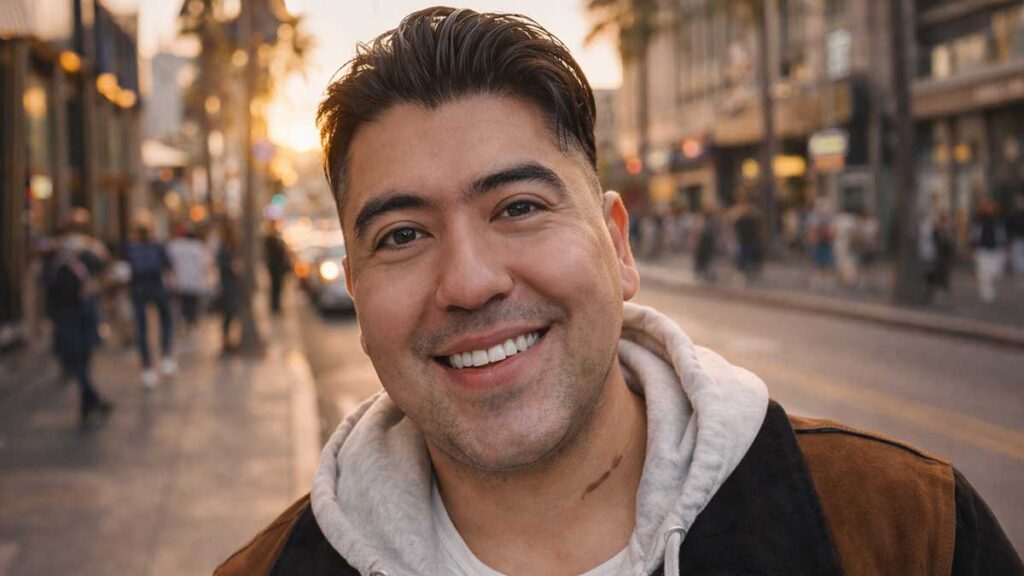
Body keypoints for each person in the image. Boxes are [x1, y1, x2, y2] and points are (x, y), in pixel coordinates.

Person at [217, 8, 1022, 575]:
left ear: (617, 244)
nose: (469, 281)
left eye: (519, 208)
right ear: (357, 294)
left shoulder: (905, 529)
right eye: (402, 235)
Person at [45, 222, 113, 426]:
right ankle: (91, 400)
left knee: (80, 359)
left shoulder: (66, 262)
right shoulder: (68, 264)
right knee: (80, 359)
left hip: (74, 317)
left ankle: (89, 401)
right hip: (74, 317)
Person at [124, 214, 175, 389]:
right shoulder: (157, 246)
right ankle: (165, 357)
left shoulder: (131, 248)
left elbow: (127, 269)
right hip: (156, 287)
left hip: (139, 290)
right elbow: (168, 266)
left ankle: (148, 367)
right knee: (165, 322)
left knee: (142, 329)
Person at [167, 224, 213, 329]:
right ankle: (190, 322)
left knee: (182, 303)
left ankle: (184, 321)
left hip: (180, 281)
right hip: (195, 281)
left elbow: (169, 263)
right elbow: (206, 265)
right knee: (192, 303)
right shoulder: (199, 247)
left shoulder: (175, 246)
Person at [971, 198, 1008, 304]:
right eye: (987, 207)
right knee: (983, 274)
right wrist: (973, 248)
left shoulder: (997, 220)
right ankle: (987, 295)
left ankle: (990, 291)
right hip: (982, 250)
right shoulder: (979, 220)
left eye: (991, 207)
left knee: (995, 273)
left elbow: (1001, 234)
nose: (989, 209)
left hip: (996, 250)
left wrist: (1004, 246)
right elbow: (975, 234)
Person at [217, 220, 243, 353]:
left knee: (232, 313)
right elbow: (223, 264)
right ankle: (226, 340)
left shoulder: (231, 245)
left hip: (232, 284)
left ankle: (228, 339)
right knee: (229, 313)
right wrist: (233, 267)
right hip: (228, 284)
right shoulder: (224, 247)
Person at [264, 220, 290, 315]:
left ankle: (276, 304)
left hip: (278, 266)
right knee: (275, 286)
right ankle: (275, 305)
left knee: (278, 286)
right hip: (274, 266)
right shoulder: (270, 238)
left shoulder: (277, 237)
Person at [1008, 194, 1024, 276]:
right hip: (1017, 238)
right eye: (1020, 202)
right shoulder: (1013, 214)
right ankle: (1019, 274)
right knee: (1017, 257)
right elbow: (1010, 226)